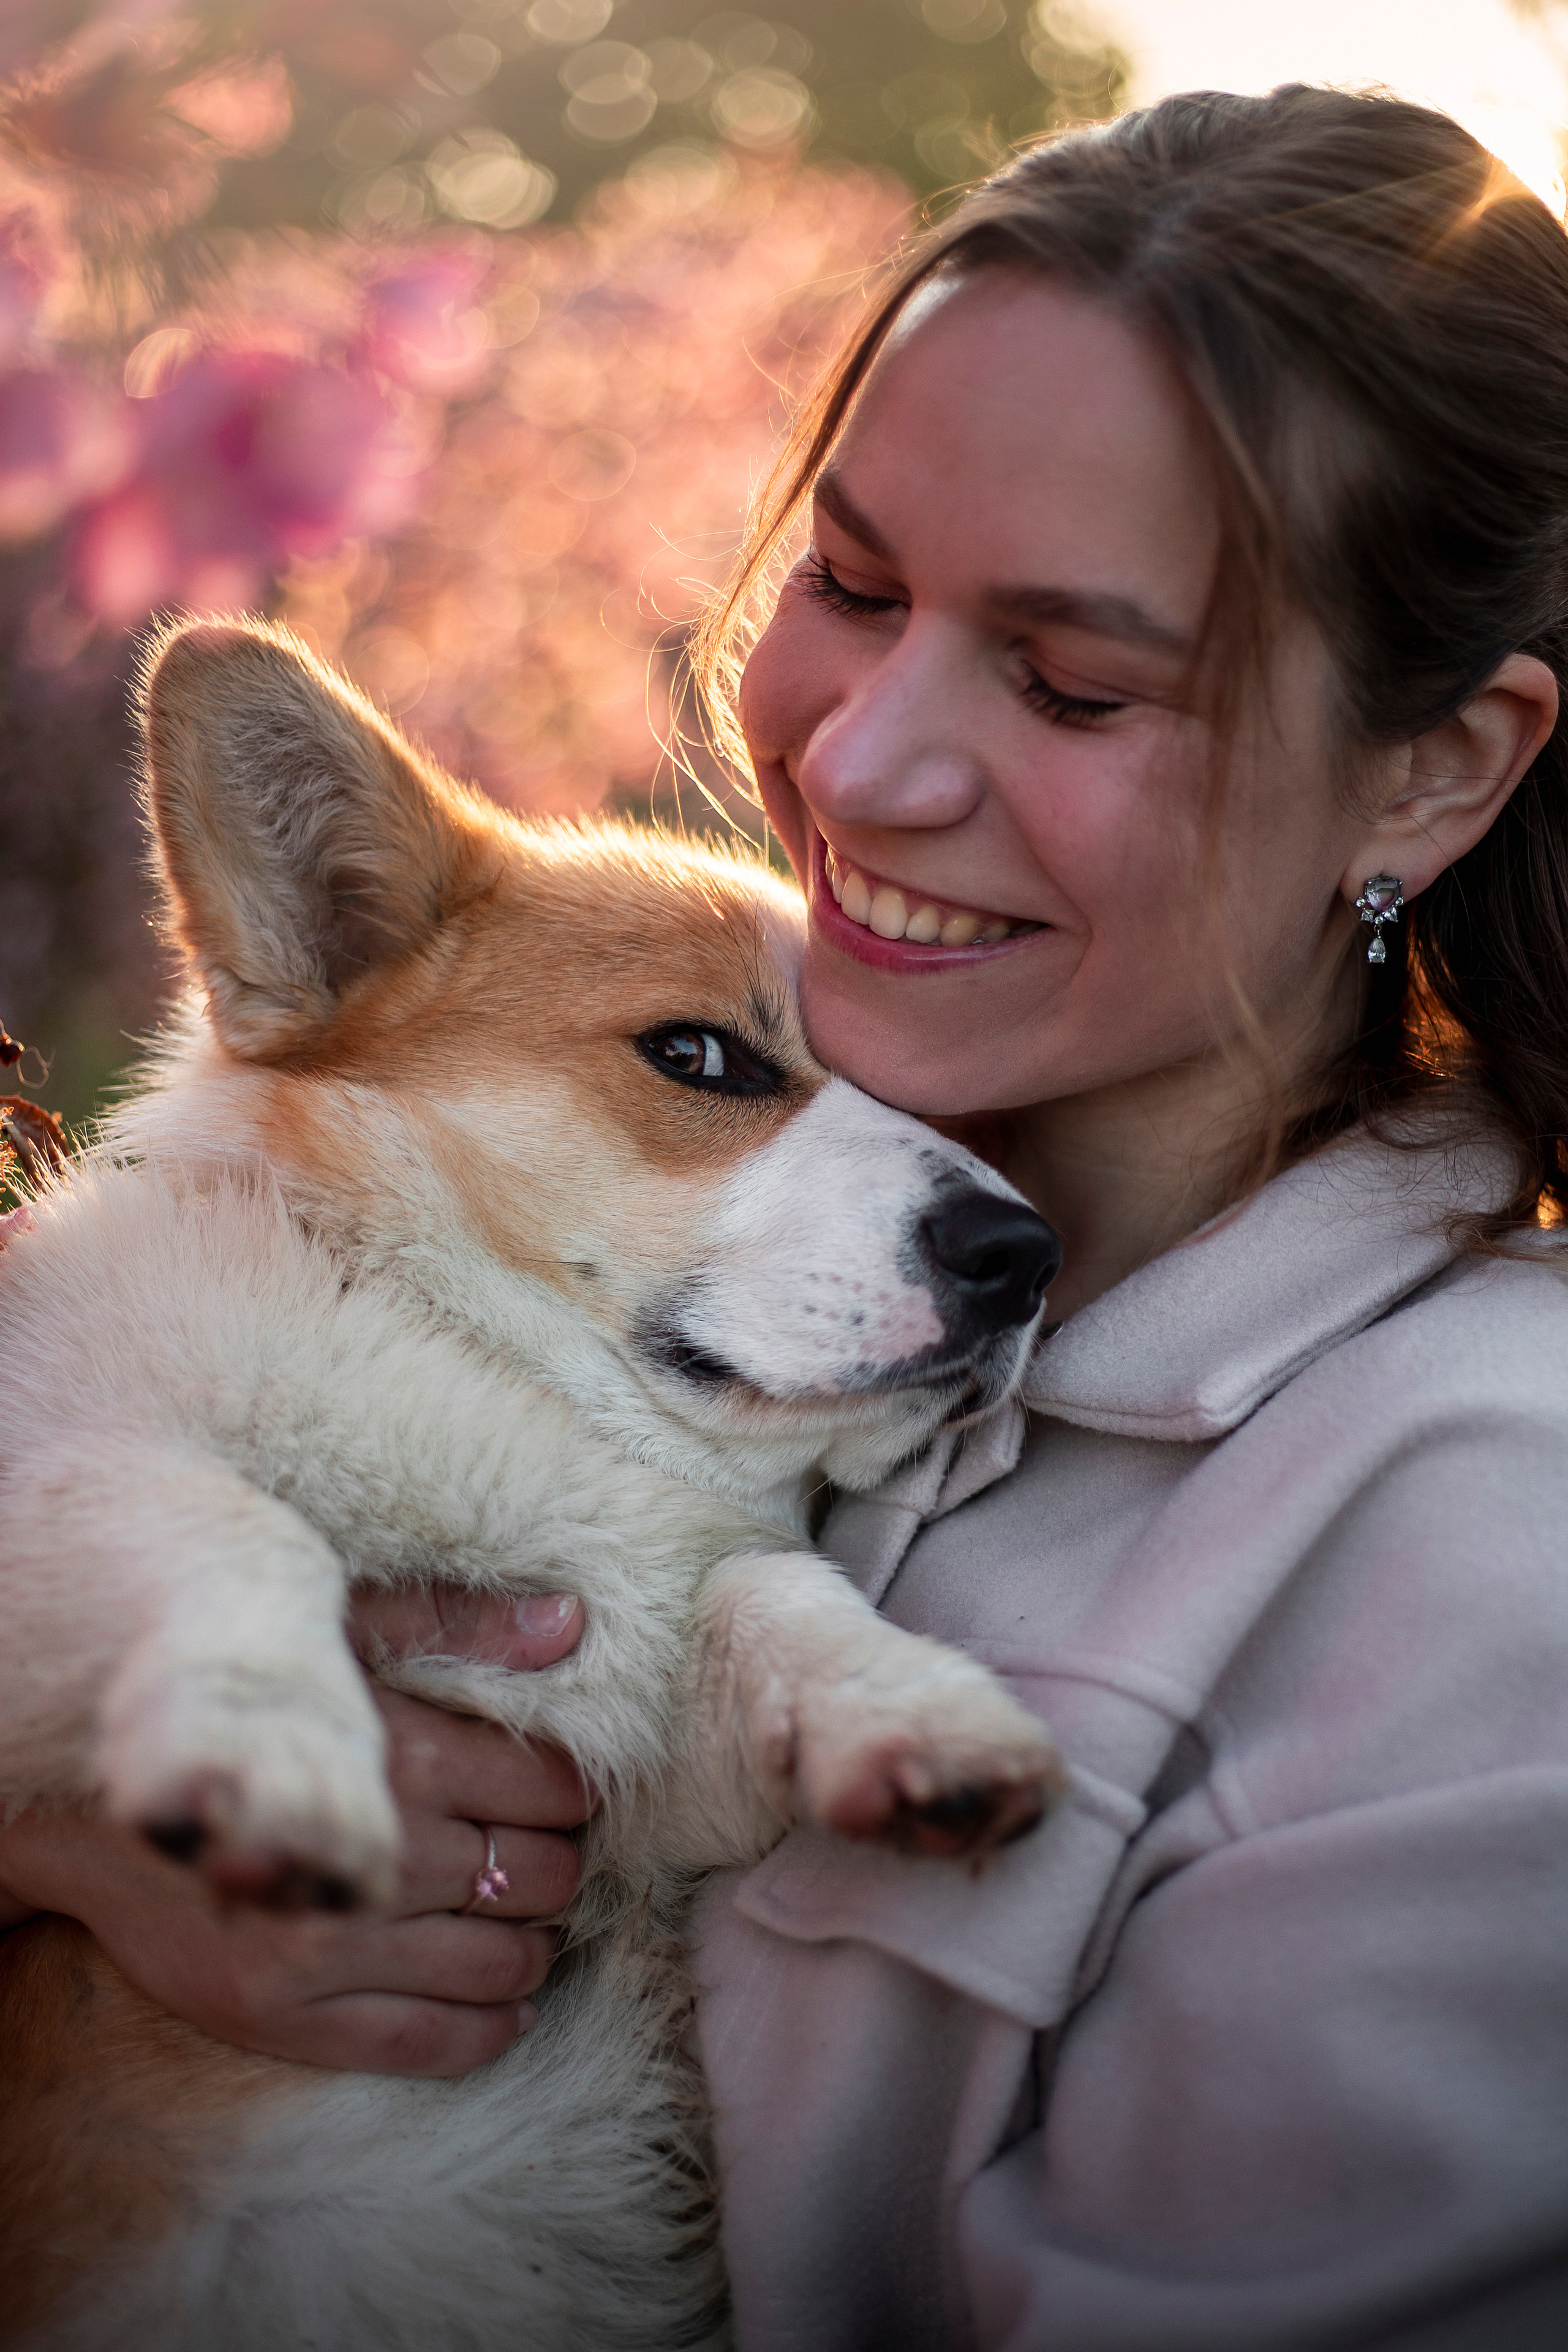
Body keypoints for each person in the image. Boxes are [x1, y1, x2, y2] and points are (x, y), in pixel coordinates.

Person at [6, 80, 1568, 2350]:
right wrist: (75, 1859)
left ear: (1433, 767)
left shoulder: (1491, 1540)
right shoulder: (522, 1238)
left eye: (1070, 677)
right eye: (850, 583)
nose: (855, 765)